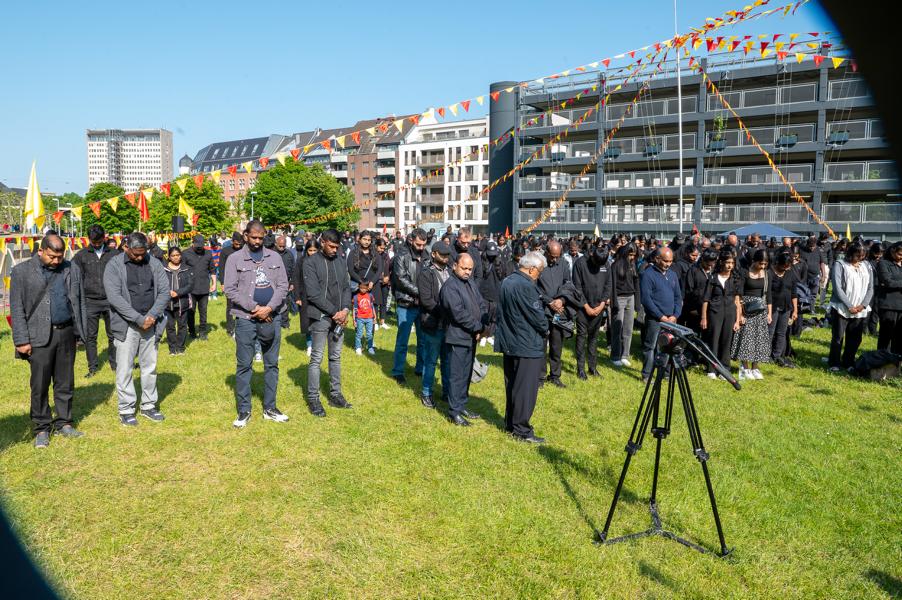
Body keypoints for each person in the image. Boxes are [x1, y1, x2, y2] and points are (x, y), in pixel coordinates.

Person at [10, 234, 87, 448]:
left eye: (60, 257)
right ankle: (42, 428)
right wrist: (21, 340)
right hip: (37, 336)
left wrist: (80, 333)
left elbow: (79, 301)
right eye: (52, 256)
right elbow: (16, 308)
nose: (56, 261)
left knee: (65, 382)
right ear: (41, 251)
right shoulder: (21, 271)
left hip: (66, 333)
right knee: (40, 384)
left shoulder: (71, 268)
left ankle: (64, 422)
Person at [223, 221, 290, 427]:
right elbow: (230, 289)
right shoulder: (234, 259)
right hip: (245, 319)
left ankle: (270, 408)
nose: (257, 241)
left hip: (273, 316)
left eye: (261, 238)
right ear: (245, 236)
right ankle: (244, 410)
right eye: (254, 237)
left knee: (272, 364)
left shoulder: (275, 257)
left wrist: (268, 308)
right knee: (244, 364)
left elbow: (283, 285)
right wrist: (255, 308)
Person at [103, 232, 170, 426]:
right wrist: (138, 319)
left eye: (143, 253)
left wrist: (152, 316)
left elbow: (164, 292)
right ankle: (126, 409)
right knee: (125, 369)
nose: (140, 257)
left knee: (150, 367)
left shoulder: (154, 263)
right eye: (136, 254)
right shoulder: (114, 265)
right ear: (126, 247)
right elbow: (114, 297)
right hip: (126, 325)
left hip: (151, 323)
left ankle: (148, 405)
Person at [496, 251, 549, 444]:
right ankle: (522, 429)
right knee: (525, 390)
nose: (539, 276)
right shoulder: (526, 286)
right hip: (527, 344)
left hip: (510, 342)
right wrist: (546, 326)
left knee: (513, 385)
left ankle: (511, 423)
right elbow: (537, 317)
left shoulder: (507, 281)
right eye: (539, 272)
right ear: (532, 269)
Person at [303, 229, 353, 416]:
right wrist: (334, 313)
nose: (334, 250)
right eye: (331, 246)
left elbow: (346, 287)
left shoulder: (340, 260)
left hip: (339, 317)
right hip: (321, 317)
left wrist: (345, 310)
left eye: (337, 247)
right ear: (322, 242)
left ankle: (335, 395)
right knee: (316, 358)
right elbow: (313, 294)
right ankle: (313, 398)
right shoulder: (310, 262)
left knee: (335, 357)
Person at [440, 253, 488, 426]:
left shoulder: (470, 283)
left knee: (467, 374)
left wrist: (483, 323)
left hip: (471, 337)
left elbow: (481, 304)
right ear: (454, 266)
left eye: (470, 269)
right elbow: (458, 314)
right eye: (464, 268)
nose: (467, 271)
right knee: (456, 375)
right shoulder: (450, 287)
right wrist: (478, 327)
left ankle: (461, 405)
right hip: (457, 337)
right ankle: (454, 411)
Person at [71, 224, 118, 377]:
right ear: (89, 239)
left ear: (104, 238)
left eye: (99, 241)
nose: (97, 244)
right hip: (90, 301)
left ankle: (115, 364)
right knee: (90, 336)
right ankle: (92, 368)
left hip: (111, 300)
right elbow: (73, 274)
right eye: (93, 242)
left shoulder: (114, 254)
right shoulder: (81, 255)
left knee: (113, 334)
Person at [827, 241, 873, 372]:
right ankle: (834, 362)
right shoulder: (840, 264)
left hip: (860, 308)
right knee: (838, 337)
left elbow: (870, 288)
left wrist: (863, 305)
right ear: (850, 253)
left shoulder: (867, 266)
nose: (860, 258)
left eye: (863, 255)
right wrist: (849, 305)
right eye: (858, 255)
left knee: (855, 338)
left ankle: (848, 361)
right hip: (841, 307)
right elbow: (837, 288)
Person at [417, 240, 452, 409]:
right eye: (442, 254)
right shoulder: (426, 273)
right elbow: (426, 301)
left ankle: (447, 392)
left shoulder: (451, 271)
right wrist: (446, 312)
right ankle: (426, 393)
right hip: (433, 324)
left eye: (447, 255)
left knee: (447, 361)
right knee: (431, 361)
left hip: (449, 326)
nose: (445, 257)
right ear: (433, 254)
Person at [390, 228, 428, 384]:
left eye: (424, 244)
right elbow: (400, 279)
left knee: (423, 340)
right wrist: (421, 292)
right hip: (406, 303)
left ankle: (420, 368)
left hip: (422, 305)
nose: (421, 247)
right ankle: (398, 371)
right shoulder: (401, 256)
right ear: (412, 240)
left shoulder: (426, 255)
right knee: (403, 340)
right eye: (418, 244)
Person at [639, 247, 682, 383]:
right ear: (657, 259)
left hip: (671, 318)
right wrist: (660, 316)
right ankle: (647, 374)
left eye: (670, 261)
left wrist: (675, 315)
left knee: (669, 346)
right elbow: (646, 299)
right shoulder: (648, 274)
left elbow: (678, 297)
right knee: (651, 346)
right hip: (655, 319)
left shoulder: (673, 274)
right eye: (665, 261)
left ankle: (666, 373)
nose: (668, 264)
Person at [571, 241, 612, 379]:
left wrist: (602, 304)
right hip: (583, 308)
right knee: (581, 337)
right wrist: (586, 306)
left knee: (594, 338)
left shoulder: (606, 264)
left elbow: (608, 285)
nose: (598, 267)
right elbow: (577, 287)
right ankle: (580, 369)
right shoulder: (580, 263)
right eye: (596, 264)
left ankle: (592, 368)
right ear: (592, 256)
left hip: (599, 307)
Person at [537, 241, 575, 388]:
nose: (554, 259)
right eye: (552, 256)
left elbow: (568, 284)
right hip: (543, 309)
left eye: (557, 256)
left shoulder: (564, 264)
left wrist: (561, 300)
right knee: (541, 344)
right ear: (546, 253)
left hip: (559, 309)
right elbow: (535, 286)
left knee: (556, 344)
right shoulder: (539, 263)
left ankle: (555, 375)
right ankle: (540, 376)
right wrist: (549, 301)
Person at [732, 249, 773, 380]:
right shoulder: (744, 272)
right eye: (761, 263)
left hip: (760, 308)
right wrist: (740, 314)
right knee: (746, 338)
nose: (763, 266)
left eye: (765, 264)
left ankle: (755, 367)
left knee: (759, 338)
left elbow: (769, 294)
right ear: (754, 261)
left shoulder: (767, 274)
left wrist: (769, 313)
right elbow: (739, 294)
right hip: (746, 308)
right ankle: (745, 366)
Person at [701, 250, 741, 378]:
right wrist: (704, 318)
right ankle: (711, 369)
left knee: (726, 341)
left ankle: (724, 369)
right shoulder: (713, 278)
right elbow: (706, 299)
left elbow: (737, 301)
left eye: (732, 263)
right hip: (715, 313)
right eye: (728, 262)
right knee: (713, 340)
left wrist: (737, 320)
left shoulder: (735, 279)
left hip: (730, 314)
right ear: (722, 262)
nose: (730, 265)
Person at [609, 243, 640, 367]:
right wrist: (614, 302)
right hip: (619, 298)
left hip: (630, 298)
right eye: (630, 254)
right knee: (617, 328)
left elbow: (636, 283)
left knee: (628, 328)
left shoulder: (633, 265)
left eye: (634, 255)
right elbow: (612, 285)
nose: (632, 257)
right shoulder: (615, 265)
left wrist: (637, 302)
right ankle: (615, 356)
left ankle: (625, 355)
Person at [769, 251, 800, 368]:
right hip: (773, 307)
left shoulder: (790, 274)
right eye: (784, 266)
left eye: (788, 267)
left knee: (781, 332)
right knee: (770, 331)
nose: (786, 269)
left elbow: (794, 293)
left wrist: (795, 310)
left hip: (786, 307)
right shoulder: (770, 273)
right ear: (778, 263)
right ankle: (765, 354)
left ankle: (776, 355)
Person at [163, 247, 194, 356]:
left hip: (182, 302)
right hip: (168, 303)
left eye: (178, 255)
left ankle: (180, 348)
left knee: (182, 325)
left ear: (181, 255)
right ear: (169, 257)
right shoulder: (163, 269)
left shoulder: (187, 268)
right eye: (173, 255)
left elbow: (190, 285)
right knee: (170, 326)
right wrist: (168, 292)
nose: (176, 257)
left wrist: (178, 292)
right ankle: (172, 349)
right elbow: (159, 284)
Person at [183, 234, 215, 340]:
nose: (199, 248)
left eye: (201, 246)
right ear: (193, 243)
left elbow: (212, 270)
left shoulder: (208, 253)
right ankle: (192, 331)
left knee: (203, 311)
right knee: (190, 312)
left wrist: (214, 284)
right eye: (197, 246)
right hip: (190, 289)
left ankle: (203, 332)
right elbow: (181, 270)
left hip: (204, 288)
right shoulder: (185, 253)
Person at [681, 249, 717, 334]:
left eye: (712, 264)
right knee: (694, 333)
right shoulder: (693, 271)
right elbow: (689, 290)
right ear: (703, 260)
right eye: (708, 264)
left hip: (711, 309)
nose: (710, 266)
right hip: (695, 309)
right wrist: (701, 299)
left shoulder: (714, 271)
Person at [876, 241, 902, 354]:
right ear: (892, 251)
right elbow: (888, 282)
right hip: (888, 305)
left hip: (901, 306)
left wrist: (896, 283)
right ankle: (882, 359)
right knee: (885, 336)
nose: (901, 257)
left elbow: (892, 282)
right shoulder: (883, 263)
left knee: (899, 337)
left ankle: (897, 360)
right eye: (900, 254)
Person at [219, 232, 244, 338]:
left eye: (240, 244)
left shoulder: (245, 250)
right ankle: (230, 328)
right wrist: (222, 283)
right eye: (236, 244)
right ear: (232, 241)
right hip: (230, 282)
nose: (238, 246)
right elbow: (221, 267)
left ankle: (241, 326)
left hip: (243, 281)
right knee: (230, 306)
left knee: (243, 305)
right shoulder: (225, 251)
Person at [274, 235, 295, 329]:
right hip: (273, 282)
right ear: (276, 244)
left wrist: (292, 283)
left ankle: (285, 323)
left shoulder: (289, 254)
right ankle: (274, 321)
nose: (282, 248)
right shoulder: (271, 253)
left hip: (286, 282)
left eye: (284, 246)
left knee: (285, 303)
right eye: (280, 246)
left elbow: (293, 269)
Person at [373, 238, 391, 330]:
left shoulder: (386, 256)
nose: (382, 250)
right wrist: (380, 278)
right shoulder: (372, 255)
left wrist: (388, 277)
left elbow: (389, 267)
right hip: (376, 282)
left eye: (384, 248)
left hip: (385, 282)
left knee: (384, 302)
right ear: (376, 246)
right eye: (381, 248)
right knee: (376, 302)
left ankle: (382, 322)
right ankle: (375, 322)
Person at [353, 285, 376, 356]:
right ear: (359, 288)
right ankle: (358, 347)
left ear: (367, 288)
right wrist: (354, 320)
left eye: (364, 288)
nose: (363, 289)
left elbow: (372, 306)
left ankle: (370, 347)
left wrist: (374, 316)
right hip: (360, 318)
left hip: (369, 318)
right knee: (359, 334)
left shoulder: (370, 296)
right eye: (361, 288)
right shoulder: (356, 297)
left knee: (369, 334)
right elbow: (354, 309)